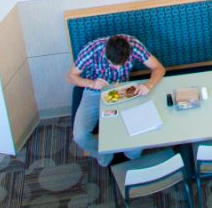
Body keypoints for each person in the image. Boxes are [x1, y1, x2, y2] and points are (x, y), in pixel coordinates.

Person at [67, 33, 165, 167]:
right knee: (80, 136)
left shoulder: (134, 45)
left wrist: (149, 84)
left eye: (122, 65)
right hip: (95, 91)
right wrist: (91, 83)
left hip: (123, 90)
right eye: (114, 65)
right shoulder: (91, 50)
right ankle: (106, 155)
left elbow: (159, 68)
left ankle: (132, 157)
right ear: (106, 55)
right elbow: (71, 77)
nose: (118, 69)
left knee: (144, 126)